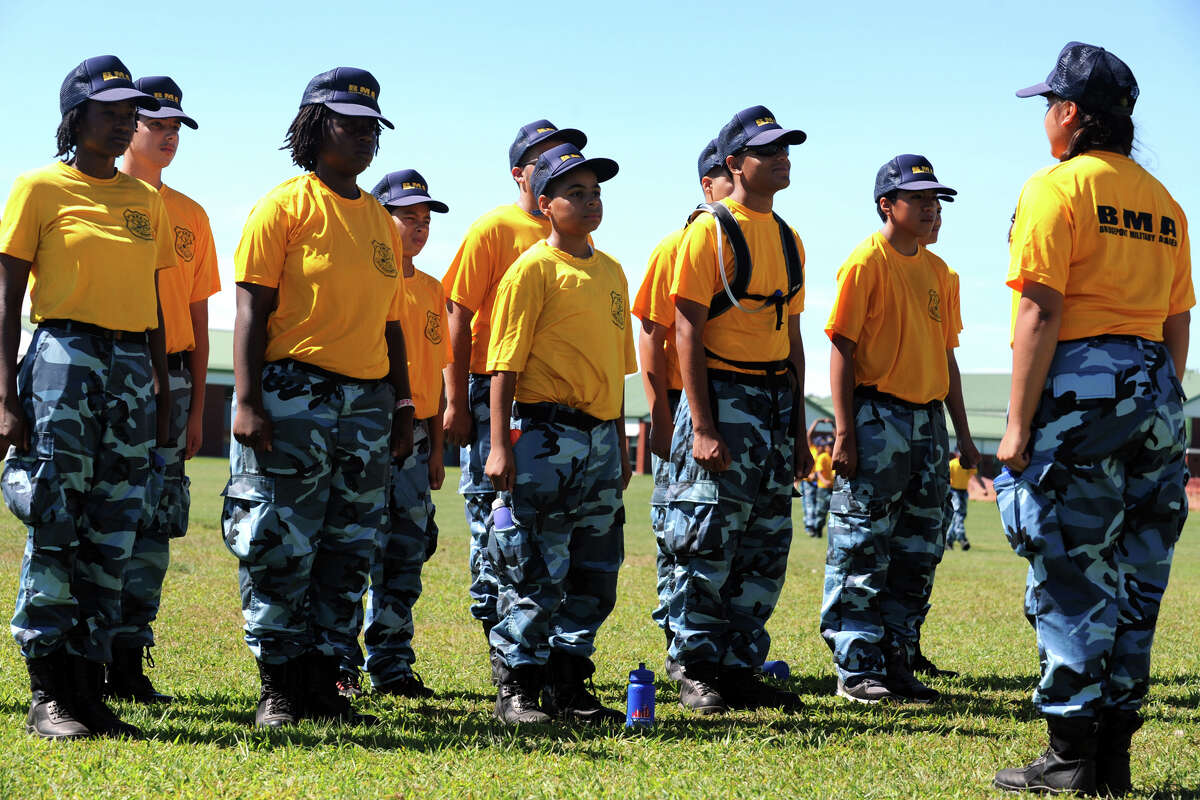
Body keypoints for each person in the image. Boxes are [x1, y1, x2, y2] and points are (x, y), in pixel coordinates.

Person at [993, 42, 1191, 796]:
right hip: (1157, 393)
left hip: (1079, 393)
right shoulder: (1164, 202)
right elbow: (1177, 320)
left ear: (1071, 113)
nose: (1046, 117)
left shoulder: (1055, 188)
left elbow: (1039, 311)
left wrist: (1017, 424)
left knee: (1075, 572)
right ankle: (1113, 755)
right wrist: (1159, 396)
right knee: (1139, 577)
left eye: (1050, 104)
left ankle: (1071, 755)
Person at [221, 66, 413, 729]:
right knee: (280, 542)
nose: (364, 137)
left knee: (348, 549)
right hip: (293, 396)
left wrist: (403, 406)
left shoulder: (380, 221)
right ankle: (279, 685)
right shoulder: (283, 207)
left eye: (372, 128)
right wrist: (247, 401)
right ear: (313, 126)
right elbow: (251, 309)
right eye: (349, 124)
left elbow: (392, 324)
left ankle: (324, 683)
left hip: (366, 406)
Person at [0, 55, 173, 739]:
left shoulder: (146, 202)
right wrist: (5, 395)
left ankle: (90, 688)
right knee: (56, 521)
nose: (125, 121)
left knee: (114, 531)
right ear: (75, 117)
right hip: (62, 362)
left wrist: (161, 390)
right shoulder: (39, 187)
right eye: (110, 111)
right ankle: (48, 693)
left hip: (130, 369)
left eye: (131, 112)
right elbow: (6, 299)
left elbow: (154, 304)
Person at [665, 105, 810, 715]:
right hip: (722, 397)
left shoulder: (789, 238)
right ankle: (695, 667)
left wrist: (798, 432)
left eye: (785, 148)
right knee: (705, 539)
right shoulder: (710, 231)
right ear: (734, 163)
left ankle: (739, 666)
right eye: (767, 150)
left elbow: (792, 339)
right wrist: (701, 426)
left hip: (773, 404)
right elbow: (686, 330)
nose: (782, 158)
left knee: (764, 544)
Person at [484, 142, 634, 725]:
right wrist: (500, 445)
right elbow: (504, 365)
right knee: (535, 566)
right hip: (546, 435)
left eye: (595, 192)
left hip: (600, 440)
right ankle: (519, 686)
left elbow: (616, 370)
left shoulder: (612, 271)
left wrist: (620, 444)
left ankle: (568, 682)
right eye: (575, 193)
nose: (591, 201)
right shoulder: (532, 269)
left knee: (596, 570)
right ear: (545, 204)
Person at [821, 154, 979, 705]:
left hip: (928, 424)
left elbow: (947, 357)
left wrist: (962, 434)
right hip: (876, 416)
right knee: (863, 543)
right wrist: (845, 432)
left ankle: (898, 661)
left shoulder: (941, 273)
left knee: (918, 547)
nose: (932, 209)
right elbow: (841, 348)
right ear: (887, 204)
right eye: (919, 199)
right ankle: (857, 666)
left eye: (936, 200)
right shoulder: (867, 261)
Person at [440, 119, 586, 681]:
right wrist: (456, 401)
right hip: (490, 392)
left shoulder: (575, 235)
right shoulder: (495, 228)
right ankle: (504, 652)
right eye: (546, 156)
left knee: (546, 527)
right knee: (495, 519)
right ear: (520, 174)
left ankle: (538, 652)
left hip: (550, 403)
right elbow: (457, 315)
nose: (561, 161)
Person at [108, 75, 219, 704]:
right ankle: (84, 654)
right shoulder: (99, 194)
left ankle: (129, 658)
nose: (168, 137)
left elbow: (199, 316)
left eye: (176, 128)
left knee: (155, 520)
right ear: (129, 126)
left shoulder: (191, 215)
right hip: (113, 369)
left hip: (173, 378)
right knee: (103, 511)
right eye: (157, 125)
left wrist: (197, 406)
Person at [337, 169, 451, 700]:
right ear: (382, 219)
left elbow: (436, 374)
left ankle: (392, 665)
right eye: (408, 217)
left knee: (406, 552)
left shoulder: (432, 289)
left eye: (426, 219)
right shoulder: (363, 276)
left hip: (417, 443)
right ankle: (340, 664)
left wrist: (437, 448)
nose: (419, 227)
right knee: (351, 549)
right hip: (367, 431)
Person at [632, 138, 732, 682]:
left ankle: (715, 648)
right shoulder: (678, 245)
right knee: (680, 529)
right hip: (682, 406)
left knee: (721, 531)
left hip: (727, 400)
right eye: (727, 179)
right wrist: (660, 415)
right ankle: (680, 646)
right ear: (708, 184)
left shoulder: (748, 239)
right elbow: (651, 333)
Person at [943, 449, 985, 551]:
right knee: (958, 514)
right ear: (956, 453)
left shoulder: (968, 464)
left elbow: (976, 475)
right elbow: (945, 477)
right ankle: (961, 537)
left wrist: (983, 487)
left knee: (960, 515)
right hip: (954, 492)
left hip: (963, 492)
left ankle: (948, 540)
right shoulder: (952, 464)